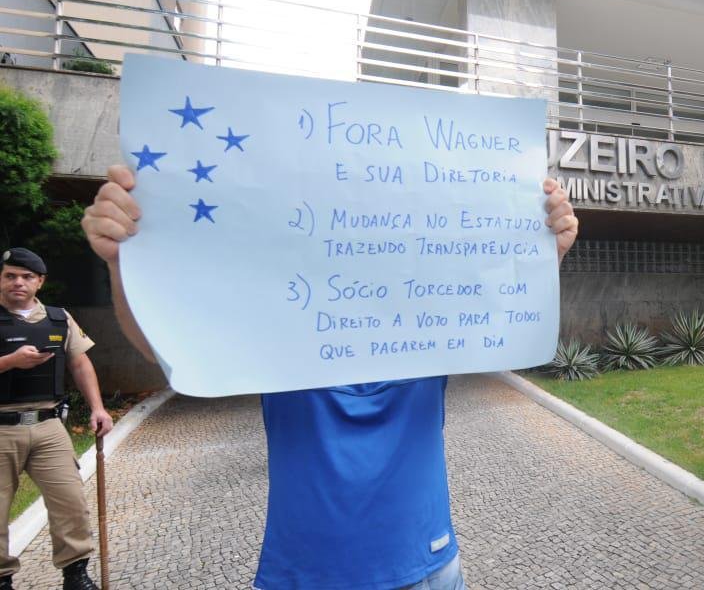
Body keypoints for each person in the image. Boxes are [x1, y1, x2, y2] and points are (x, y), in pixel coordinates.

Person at [81, 165, 578, 590]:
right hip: (305, 574)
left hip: (426, 567)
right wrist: (121, 260)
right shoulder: (282, 330)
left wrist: (545, 252)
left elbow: (509, 320)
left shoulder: (432, 323)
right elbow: (168, 349)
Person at [0, 247, 114, 590]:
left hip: (49, 425)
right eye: (10, 276)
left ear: (40, 282)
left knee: (70, 502)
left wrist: (97, 407)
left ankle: (75, 574)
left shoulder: (59, 318)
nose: (18, 282)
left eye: (26, 277)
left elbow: (80, 362)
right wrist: (10, 362)